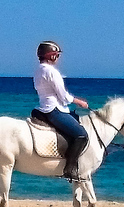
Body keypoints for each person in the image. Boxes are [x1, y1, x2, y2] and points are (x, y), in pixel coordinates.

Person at [32, 41, 89, 181]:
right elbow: (63, 97)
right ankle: (69, 169)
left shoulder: (38, 71)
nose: (58, 58)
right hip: (54, 110)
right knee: (81, 135)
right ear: (51, 56)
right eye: (56, 55)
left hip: (42, 109)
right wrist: (79, 101)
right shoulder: (52, 72)